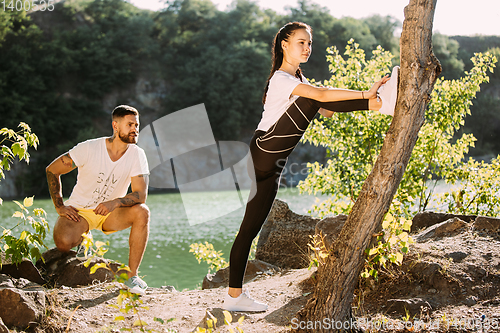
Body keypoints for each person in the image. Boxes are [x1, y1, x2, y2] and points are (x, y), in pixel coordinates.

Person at [222, 22, 399, 312]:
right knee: (312, 95)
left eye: (309, 43)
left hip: (272, 163)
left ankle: (233, 296)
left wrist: (362, 99)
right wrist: (368, 96)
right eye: (301, 42)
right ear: (284, 44)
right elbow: (320, 95)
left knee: (249, 230)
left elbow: (326, 108)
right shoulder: (281, 79)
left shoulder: (298, 79)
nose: (307, 48)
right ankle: (383, 104)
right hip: (265, 148)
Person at [46, 105, 150, 295]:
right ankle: (83, 239)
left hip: (110, 213)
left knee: (142, 211)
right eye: (129, 125)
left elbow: (140, 195)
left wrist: (115, 202)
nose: (135, 129)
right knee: (63, 243)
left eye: (136, 124)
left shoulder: (137, 154)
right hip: (80, 212)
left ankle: (132, 276)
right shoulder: (89, 148)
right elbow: (52, 170)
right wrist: (60, 206)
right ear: (115, 126)